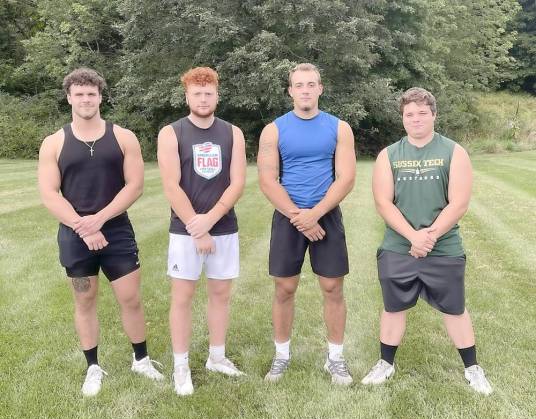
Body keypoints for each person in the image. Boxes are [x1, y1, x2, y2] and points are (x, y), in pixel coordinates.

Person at [38, 67, 164, 397]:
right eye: (78, 94)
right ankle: (93, 366)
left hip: (117, 233)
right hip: (74, 237)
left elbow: (135, 186)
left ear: (100, 97)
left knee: (130, 298)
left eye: (91, 94)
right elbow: (50, 194)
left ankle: (141, 359)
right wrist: (83, 225)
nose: (85, 100)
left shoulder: (123, 137)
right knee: (85, 299)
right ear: (69, 98)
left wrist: (100, 219)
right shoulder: (54, 143)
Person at [361, 87, 492, 395]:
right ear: (402, 118)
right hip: (399, 246)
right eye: (410, 114)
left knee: (455, 309)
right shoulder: (389, 154)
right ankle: (386, 364)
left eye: (422, 113)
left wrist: (429, 236)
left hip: (443, 247)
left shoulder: (454, 151)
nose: (416, 119)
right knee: (393, 307)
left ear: (434, 115)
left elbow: (458, 203)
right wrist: (412, 237)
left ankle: (473, 369)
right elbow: (383, 202)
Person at [257, 63, 356, 385]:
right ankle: (282, 356)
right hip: (289, 216)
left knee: (332, 287)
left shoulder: (339, 128)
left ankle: (336, 359)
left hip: (326, 214)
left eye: (311, 84)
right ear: (290, 91)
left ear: (320, 89)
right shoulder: (274, 130)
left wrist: (316, 213)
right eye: (299, 85)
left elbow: (346, 178)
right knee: (285, 288)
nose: (305, 90)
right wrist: (300, 217)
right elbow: (268, 180)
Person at [157, 66, 247, 396]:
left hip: (223, 227)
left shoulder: (232, 133)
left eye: (209, 93)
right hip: (185, 231)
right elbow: (171, 185)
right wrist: (197, 227)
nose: (203, 98)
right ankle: (180, 365)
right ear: (187, 96)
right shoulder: (171, 133)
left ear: (217, 96)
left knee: (220, 294)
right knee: (182, 297)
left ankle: (216, 357)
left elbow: (237, 182)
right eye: (197, 93)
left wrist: (211, 220)